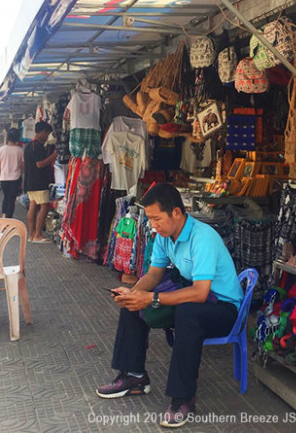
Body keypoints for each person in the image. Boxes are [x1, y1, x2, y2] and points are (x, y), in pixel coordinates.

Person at [97, 183, 243, 428]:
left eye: (157, 218)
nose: (153, 224)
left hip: (224, 309)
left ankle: (183, 398)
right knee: (133, 301)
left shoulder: (202, 238)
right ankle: (134, 376)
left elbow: (200, 292)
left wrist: (152, 298)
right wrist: (133, 293)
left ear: (176, 212)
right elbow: (154, 275)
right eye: (150, 218)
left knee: (187, 313)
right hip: (196, 298)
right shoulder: (164, 235)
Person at [23, 121, 56, 243]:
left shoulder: (28, 146)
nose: (47, 136)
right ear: (42, 132)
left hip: (30, 181)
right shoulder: (37, 146)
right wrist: (53, 156)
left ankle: (32, 235)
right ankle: (38, 235)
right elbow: (40, 164)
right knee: (44, 206)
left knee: (33, 205)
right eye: (47, 134)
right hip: (39, 181)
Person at [0, 128, 24, 219]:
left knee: (6, 198)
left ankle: (3, 216)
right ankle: (9, 218)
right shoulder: (20, 150)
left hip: (4, 178)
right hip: (16, 177)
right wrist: (21, 172)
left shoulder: (2, 149)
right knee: (12, 199)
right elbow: (22, 165)